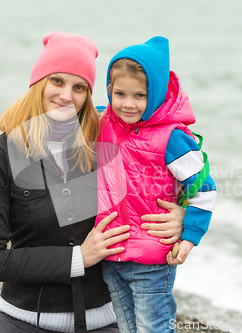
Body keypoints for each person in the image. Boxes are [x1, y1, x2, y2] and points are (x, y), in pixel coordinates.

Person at [0, 31, 186, 333]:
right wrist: (78, 258)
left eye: (79, 87)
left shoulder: (107, 140)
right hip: (20, 319)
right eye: (57, 81)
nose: (66, 95)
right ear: (37, 83)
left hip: (107, 321)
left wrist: (182, 215)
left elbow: (177, 163)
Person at [94, 36, 217, 333]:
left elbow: (203, 188)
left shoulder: (172, 138)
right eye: (120, 93)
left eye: (140, 95)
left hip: (152, 258)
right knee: (126, 328)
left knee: (154, 328)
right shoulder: (102, 121)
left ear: (157, 93)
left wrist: (188, 238)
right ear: (109, 90)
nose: (128, 104)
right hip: (111, 256)